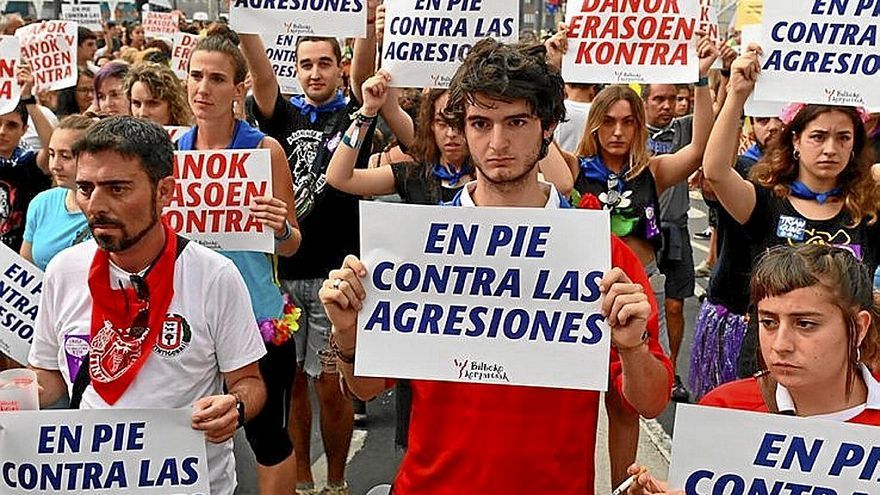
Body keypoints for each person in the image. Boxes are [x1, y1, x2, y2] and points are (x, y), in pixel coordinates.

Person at [320, 38, 672, 495]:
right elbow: (367, 388)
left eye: (516, 122)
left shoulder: (600, 253)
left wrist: (633, 348)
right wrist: (349, 332)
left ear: (547, 129)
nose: (497, 143)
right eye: (480, 123)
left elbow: (650, 400)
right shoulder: (417, 245)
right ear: (463, 129)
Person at [27, 116, 267, 495]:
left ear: (164, 191)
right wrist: (11, 401)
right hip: (92, 480)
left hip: (193, 484)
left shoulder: (214, 276)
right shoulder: (63, 270)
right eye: (86, 188)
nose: (96, 206)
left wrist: (235, 408)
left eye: (117, 189)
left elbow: (249, 381)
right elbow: (48, 378)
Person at [546, 28, 717, 485]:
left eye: (628, 122)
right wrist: (552, 68)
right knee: (572, 405)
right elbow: (538, 143)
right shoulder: (574, 168)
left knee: (625, 406)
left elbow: (699, 150)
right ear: (594, 123)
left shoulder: (653, 171)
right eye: (608, 121)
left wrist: (700, 81)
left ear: (640, 127)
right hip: (577, 301)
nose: (618, 131)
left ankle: (624, 486)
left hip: (636, 296)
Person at [239, 9, 379, 490]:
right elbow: (258, 70)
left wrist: (369, 19)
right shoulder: (284, 114)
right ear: (295, 69)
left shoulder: (355, 112)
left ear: (339, 67)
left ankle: (336, 480)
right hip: (285, 273)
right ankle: (301, 479)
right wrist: (244, 16)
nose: (314, 72)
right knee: (295, 382)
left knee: (333, 386)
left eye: (324, 63)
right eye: (305, 64)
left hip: (336, 274)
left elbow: (366, 75)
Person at [626, 244, 880, 495]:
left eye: (805, 324)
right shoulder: (723, 408)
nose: (780, 345)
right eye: (768, 322)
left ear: (858, 328)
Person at [702, 45, 880, 378]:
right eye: (818, 136)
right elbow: (715, 172)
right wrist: (737, 94)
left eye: (843, 138)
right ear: (795, 141)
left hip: (843, 370)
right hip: (770, 363)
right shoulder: (767, 202)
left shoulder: (869, 209)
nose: (831, 148)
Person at [179, 26, 301, 495]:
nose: (203, 88)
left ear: (239, 87)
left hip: (257, 317)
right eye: (195, 76)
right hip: (191, 321)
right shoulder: (172, 153)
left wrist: (281, 227)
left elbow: (291, 245)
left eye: (216, 78)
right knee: (194, 432)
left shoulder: (264, 152)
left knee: (267, 438)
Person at [688, 113, 783, 400]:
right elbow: (714, 172)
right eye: (764, 119)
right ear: (750, 124)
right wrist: (733, 94)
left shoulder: (821, 187)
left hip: (784, 323)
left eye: (780, 119)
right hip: (731, 310)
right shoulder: (739, 169)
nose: (774, 126)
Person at [641, 82, 698, 403]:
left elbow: (709, 132)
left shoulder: (684, 127)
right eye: (659, 99)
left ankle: (670, 370)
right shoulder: (631, 132)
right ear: (645, 102)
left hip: (676, 229)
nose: (667, 105)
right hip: (641, 234)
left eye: (674, 99)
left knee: (675, 305)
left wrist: (708, 78)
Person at [21, 115, 95, 270]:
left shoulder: (113, 209)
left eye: (66, 156)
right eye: (52, 154)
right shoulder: (42, 203)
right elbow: (24, 268)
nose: (55, 165)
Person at [126, 61, 192, 126]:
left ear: (173, 107)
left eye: (152, 103)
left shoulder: (190, 136)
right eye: (136, 103)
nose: (142, 113)